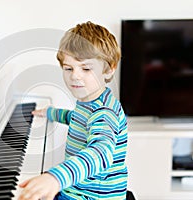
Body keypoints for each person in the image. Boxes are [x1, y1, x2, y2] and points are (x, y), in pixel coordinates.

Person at [18, 21, 128, 200]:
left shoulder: (104, 112)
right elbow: (76, 118)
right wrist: (51, 113)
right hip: (80, 189)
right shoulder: (89, 102)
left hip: (91, 196)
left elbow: (101, 153)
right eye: (68, 68)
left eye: (86, 68)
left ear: (108, 69)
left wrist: (56, 178)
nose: (75, 75)